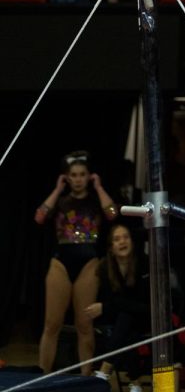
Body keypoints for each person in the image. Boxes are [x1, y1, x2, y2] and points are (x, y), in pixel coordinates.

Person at [35, 152, 119, 373]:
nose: (78, 179)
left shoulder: (95, 200)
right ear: (67, 177)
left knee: (84, 325)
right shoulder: (60, 200)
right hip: (61, 263)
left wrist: (99, 187)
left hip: (88, 263)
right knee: (52, 324)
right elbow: (39, 217)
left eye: (83, 175)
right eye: (74, 175)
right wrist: (57, 190)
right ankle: (42, 375)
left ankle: (86, 377)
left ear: (89, 176)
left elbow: (112, 214)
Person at [85, 223, 149, 390]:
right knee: (126, 325)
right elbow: (115, 303)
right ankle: (135, 382)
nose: (122, 242)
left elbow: (144, 305)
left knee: (126, 319)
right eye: (117, 239)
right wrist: (110, 306)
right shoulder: (106, 267)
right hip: (121, 320)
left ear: (132, 242)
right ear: (111, 247)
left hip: (145, 317)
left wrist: (106, 307)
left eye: (126, 237)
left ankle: (105, 369)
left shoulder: (144, 262)